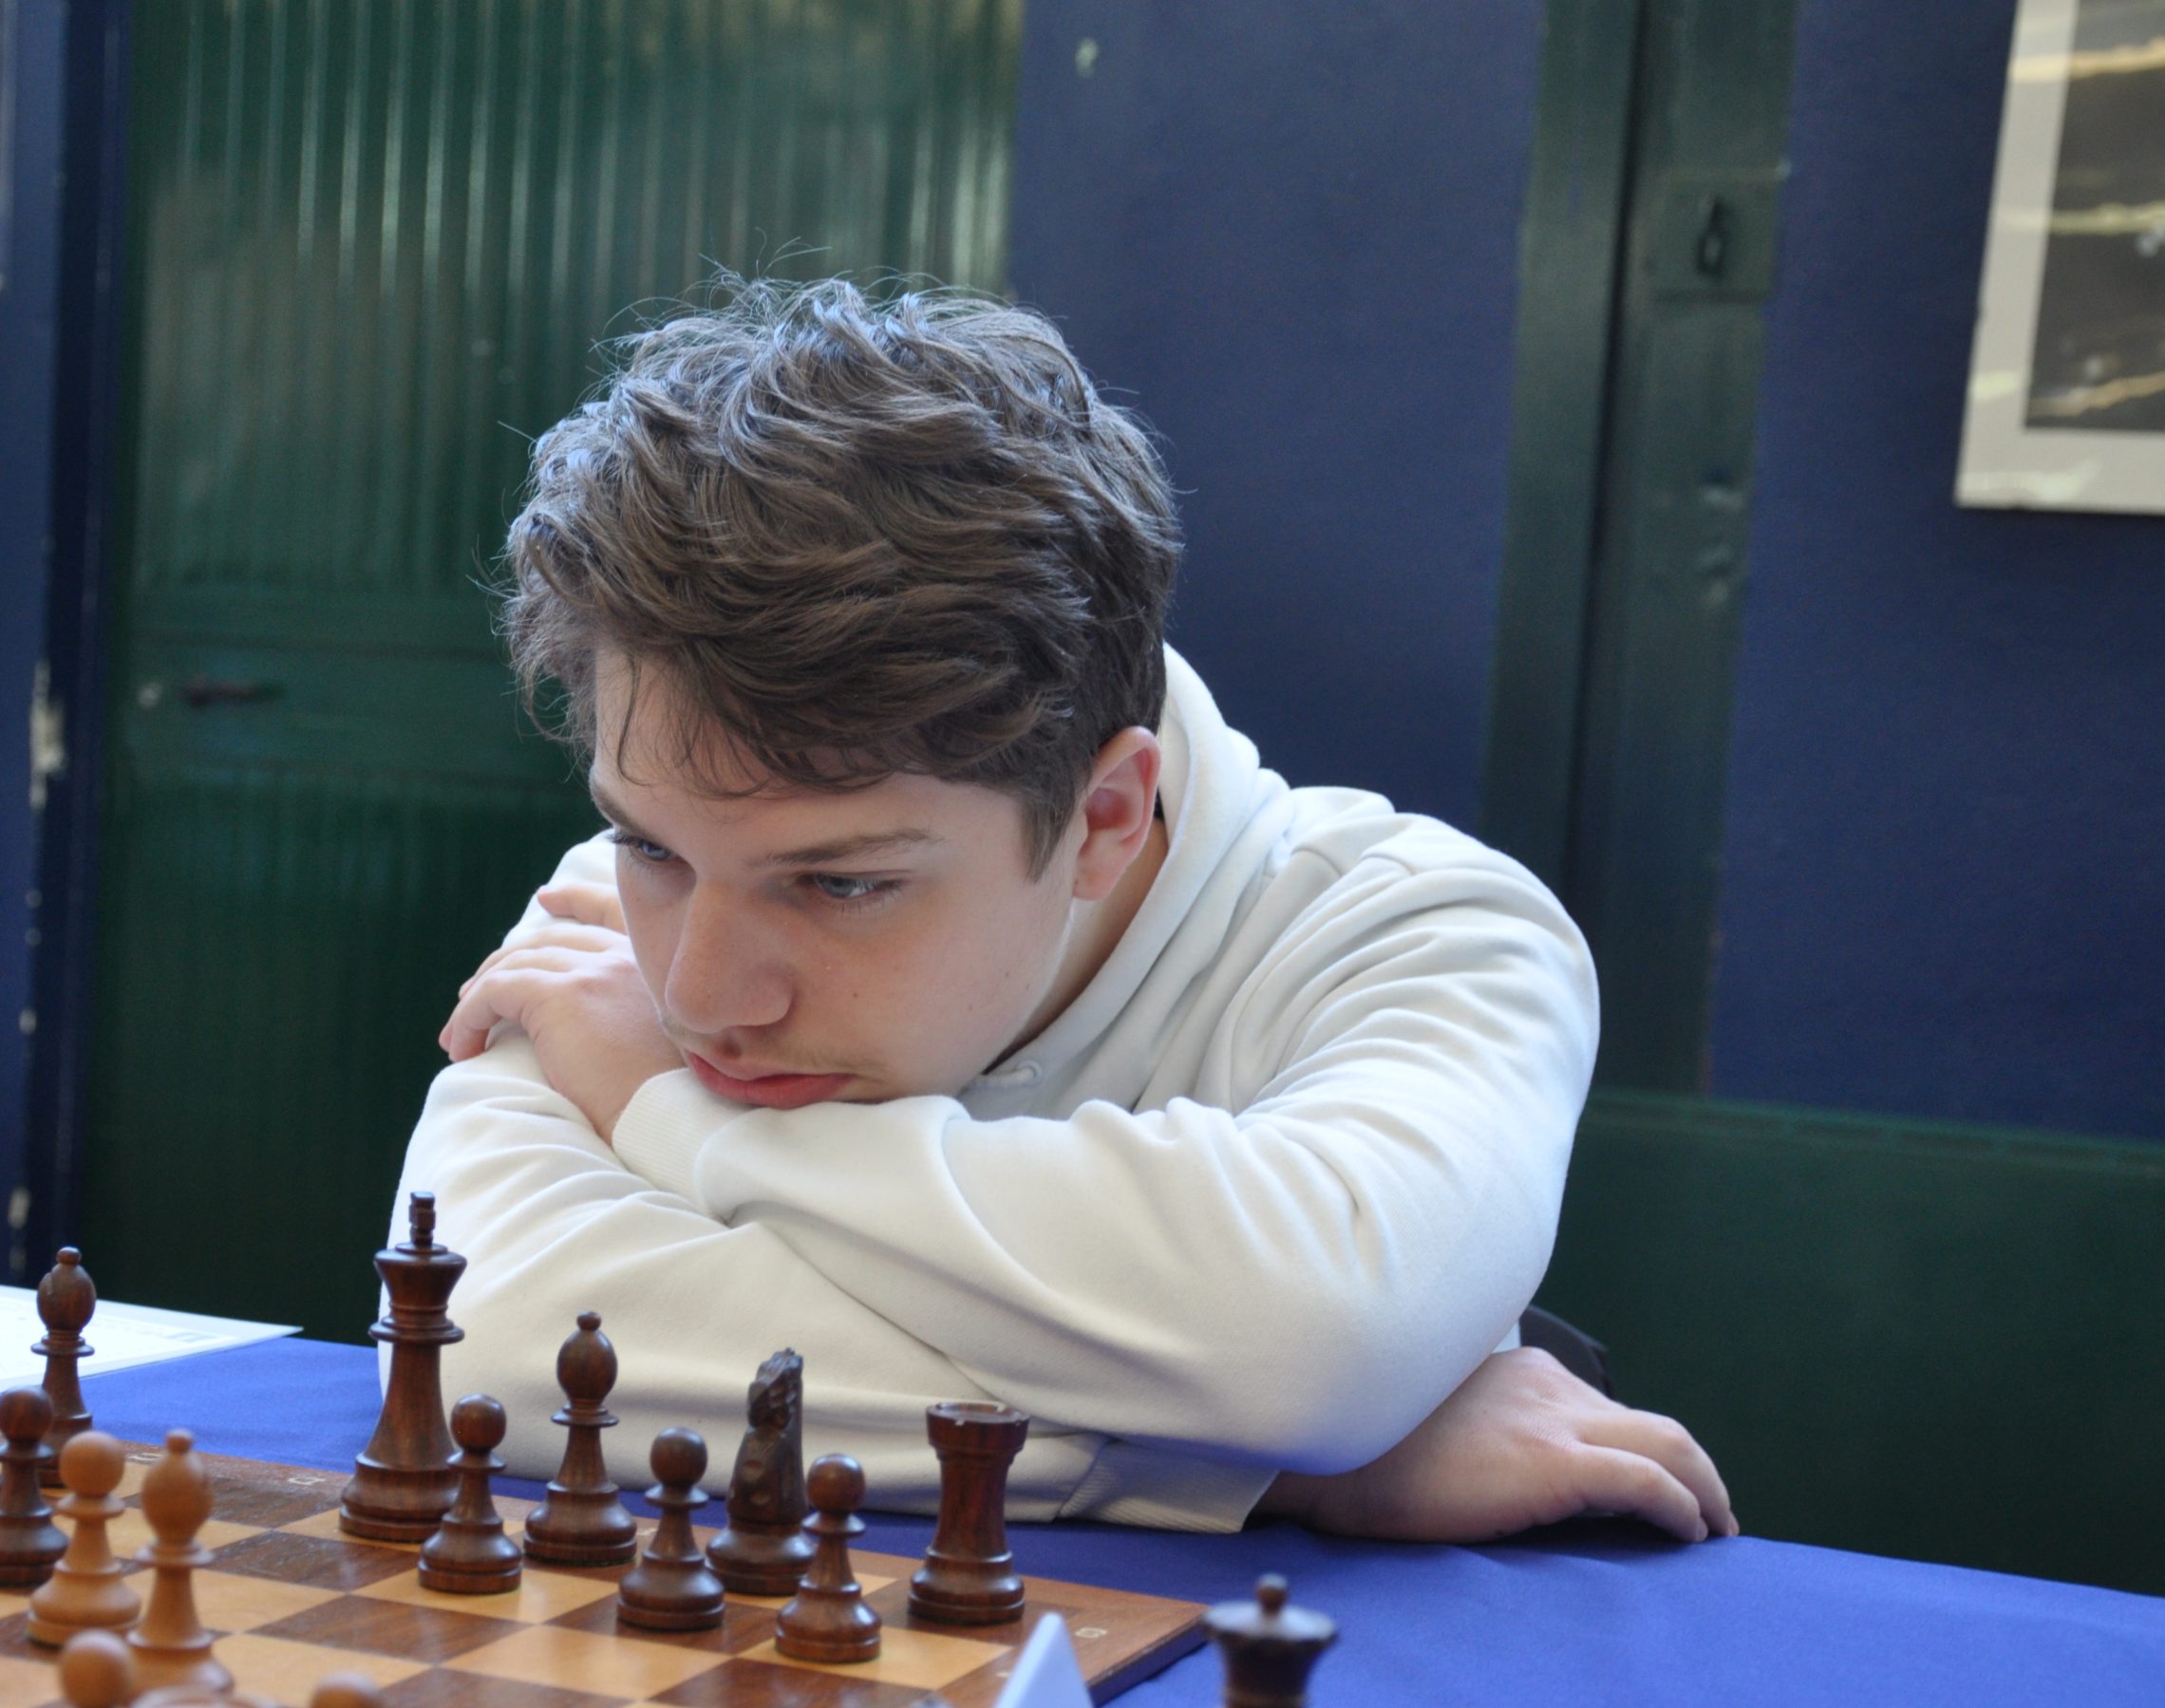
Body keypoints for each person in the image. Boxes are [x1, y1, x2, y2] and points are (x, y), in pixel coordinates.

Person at [396, 279, 1734, 1544]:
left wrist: (663, 1114)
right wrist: (1270, 1463)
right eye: (649, 844)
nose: (696, 994)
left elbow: (1315, 1340)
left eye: (843, 883)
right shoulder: (609, 913)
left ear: (1103, 817)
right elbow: (491, 1344)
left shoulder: (1431, 933)